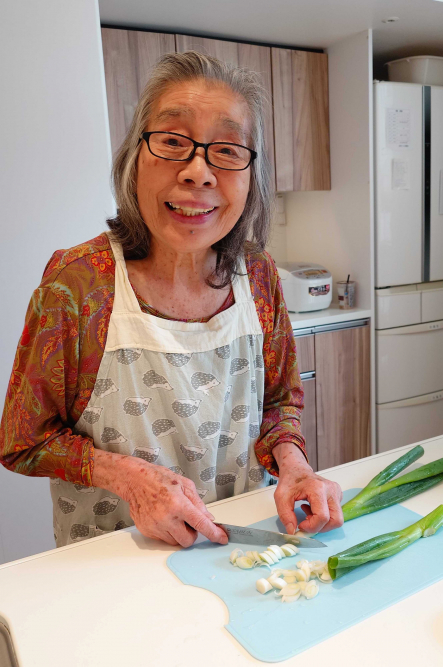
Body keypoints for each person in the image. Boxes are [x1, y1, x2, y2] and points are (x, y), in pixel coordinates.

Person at [0, 52, 343, 548]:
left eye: (227, 150)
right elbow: (23, 440)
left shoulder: (259, 276)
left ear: (253, 176)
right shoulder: (77, 286)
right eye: (173, 142)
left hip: (241, 549)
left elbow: (278, 403)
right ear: (134, 158)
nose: (198, 172)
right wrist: (129, 478)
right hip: (115, 561)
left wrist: (295, 466)